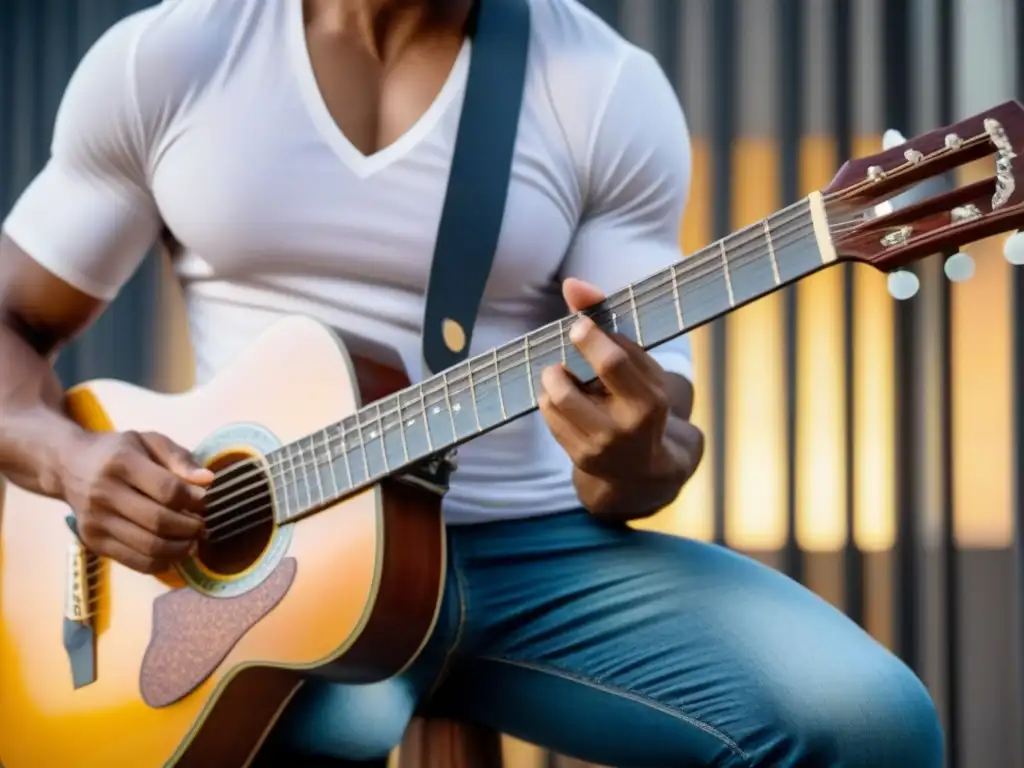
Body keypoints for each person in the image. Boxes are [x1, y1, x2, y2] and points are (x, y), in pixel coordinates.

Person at [0, 0, 943, 765]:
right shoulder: (173, 58)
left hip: (533, 558)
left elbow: (660, 432)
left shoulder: (600, 90)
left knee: (868, 724)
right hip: (257, 559)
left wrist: (632, 458)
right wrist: (73, 461)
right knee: (296, 732)